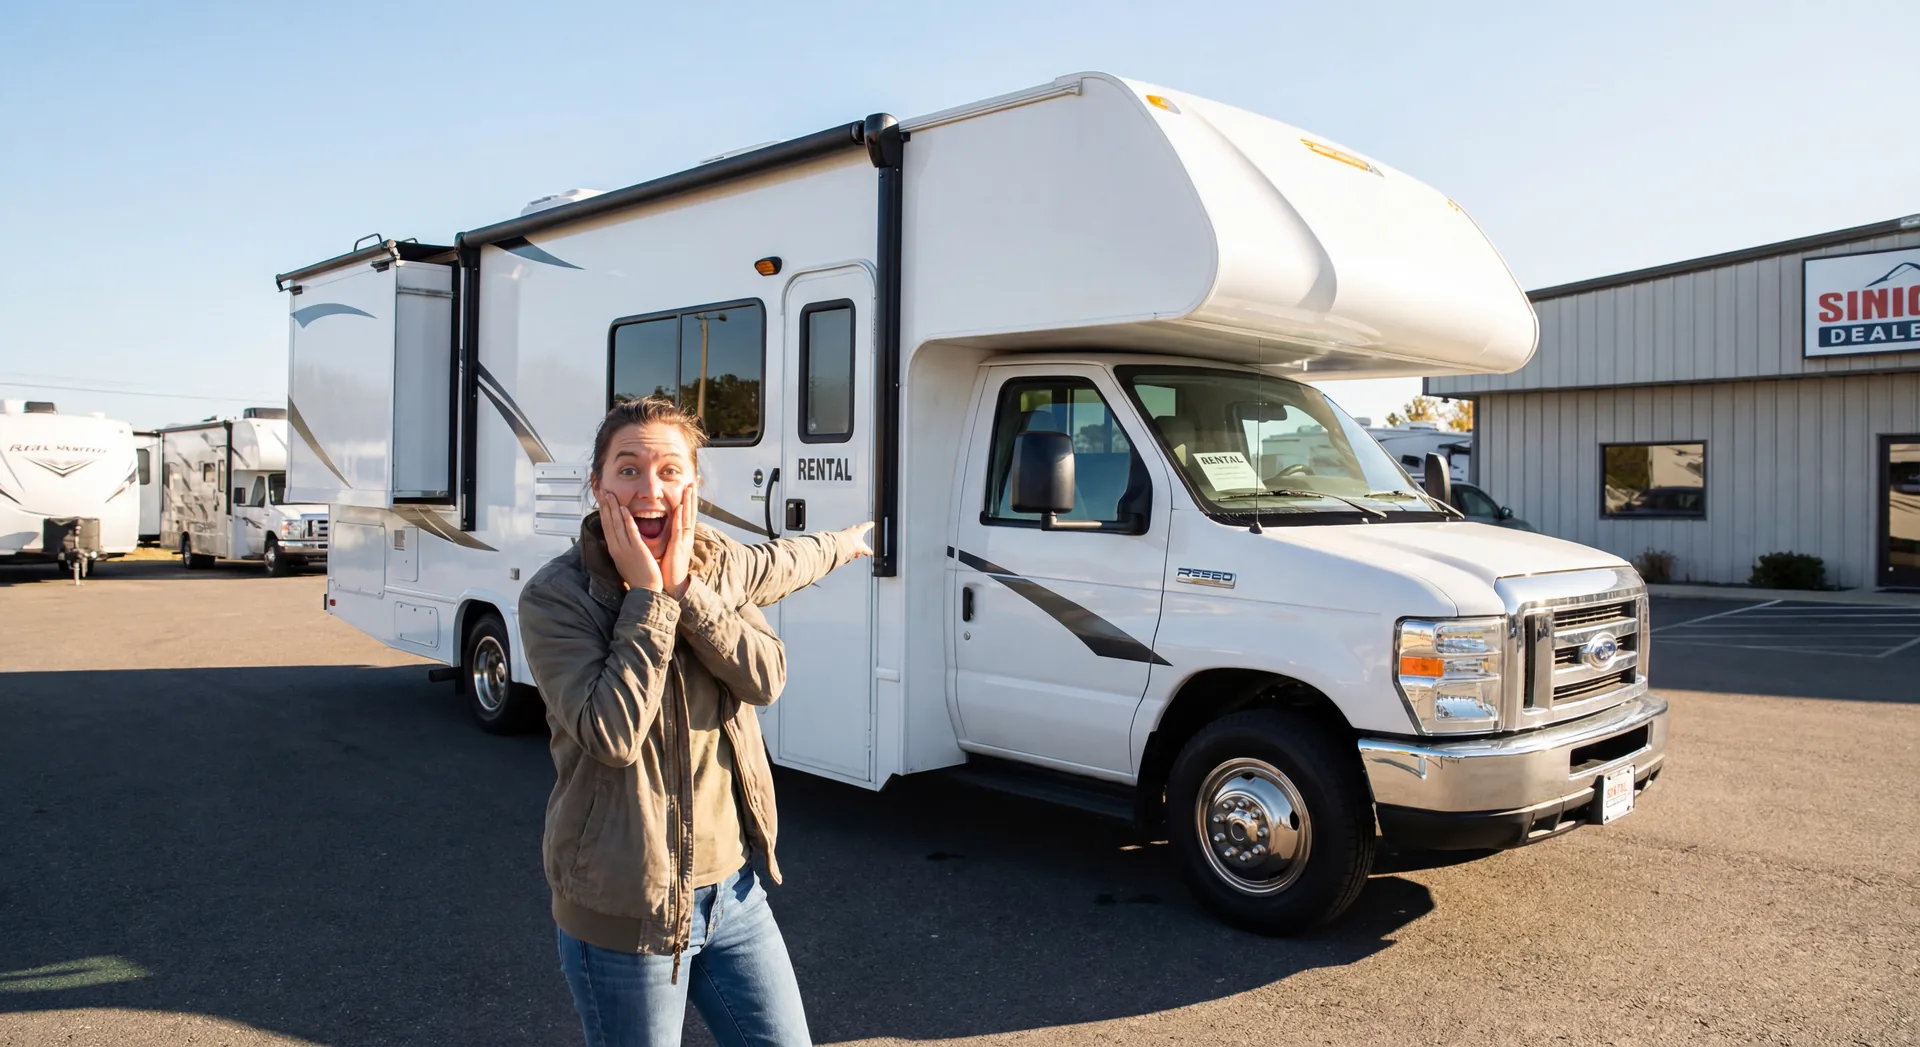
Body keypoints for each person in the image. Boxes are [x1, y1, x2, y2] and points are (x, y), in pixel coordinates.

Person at [518, 395, 872, 1047]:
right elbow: (611, 733)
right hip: (626, 913)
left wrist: (692, 592)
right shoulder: (555, 597)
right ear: (597, 485)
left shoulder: (715, 564)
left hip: (734, 893)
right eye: (628, 469)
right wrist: (652, 599)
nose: (649, 489)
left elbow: (766, 671)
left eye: (669, 469)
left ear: (693, 485)